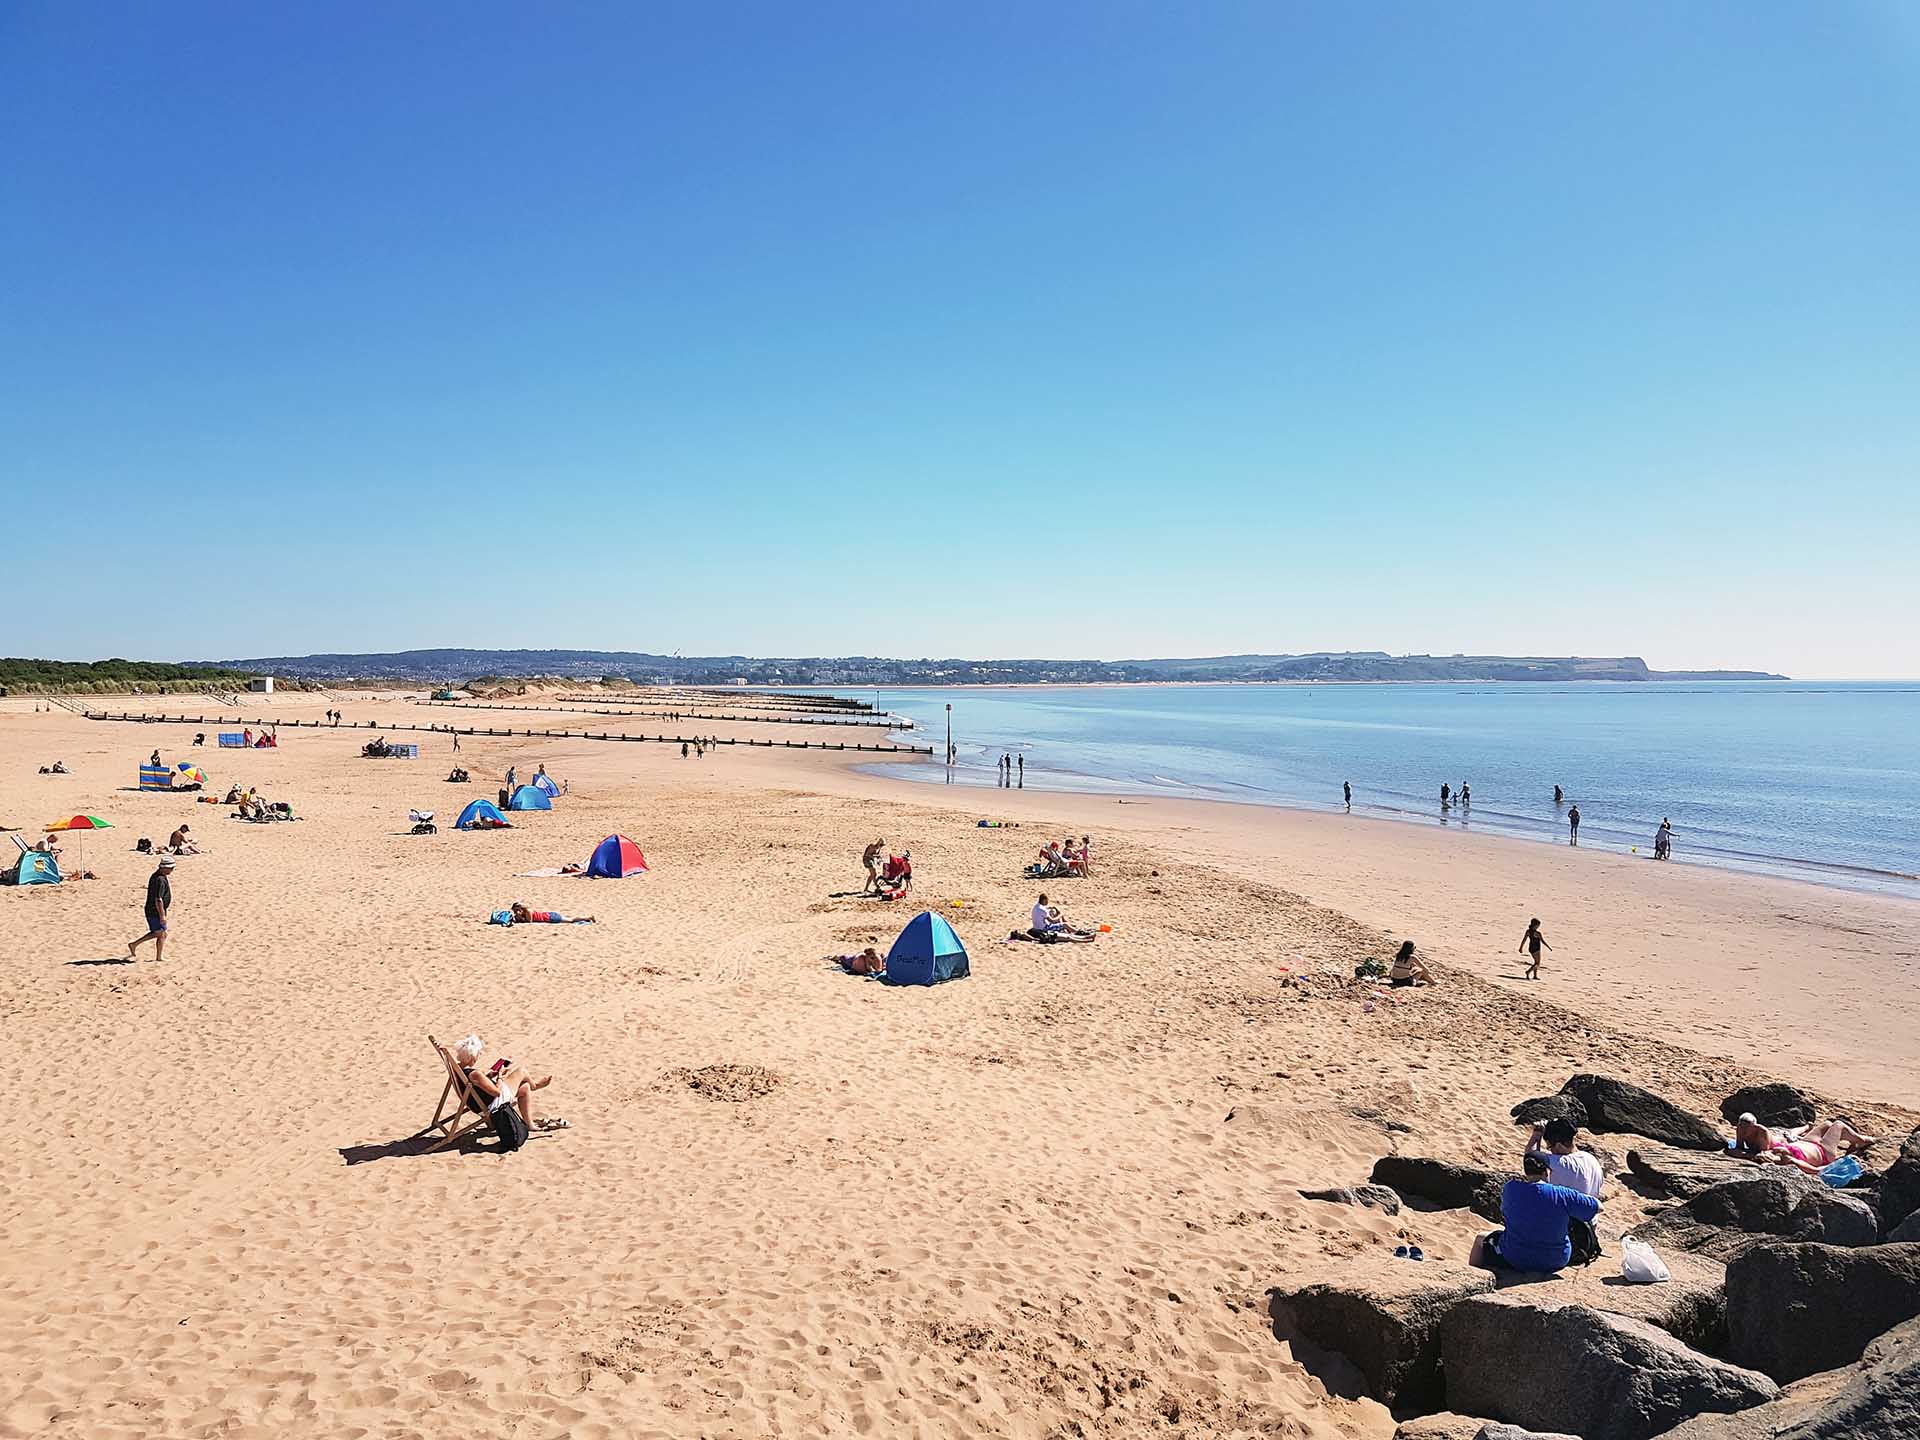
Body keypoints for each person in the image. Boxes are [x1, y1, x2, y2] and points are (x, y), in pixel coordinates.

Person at [1472, 1152, 1602, 1274]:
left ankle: (1474, 1275)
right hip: (1556, 1260)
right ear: (1546, 1171)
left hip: (1516, 1257)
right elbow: (1599, 1207)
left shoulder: (1510, 1188)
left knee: (1481, 1239)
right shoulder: (1562, 1194)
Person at [452, 1034, 564, 1132]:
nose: (478, 1057)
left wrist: (490, 1076)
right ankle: (535, 1086)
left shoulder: (458, 1069)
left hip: (480, 1103)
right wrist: (500, 1076)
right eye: (478, 1054)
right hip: (493, 1104)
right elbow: (496, 1093)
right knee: (521, 1071)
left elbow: (478, 1085)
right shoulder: (475, 1074)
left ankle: (529, 1124)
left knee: (524, 1088)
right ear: (473, 1056)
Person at [1731, 1114, 1878, 1172]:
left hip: (1805, 1143)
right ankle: (1863, 1140)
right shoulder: (1789, 1161)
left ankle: (1854, 1141)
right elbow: (1817, 1170)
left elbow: (1739, 1150)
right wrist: (1842, 1161)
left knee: (1827, 1124)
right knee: (1838, 1125)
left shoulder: (1773, 1149)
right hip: (1823, 1153)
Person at [127, 856, 175, 962]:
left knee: (162, 933)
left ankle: (158, 956)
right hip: (154, 911)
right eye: (171, 868)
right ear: (164, 868)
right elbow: (158, 899)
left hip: (156, 910)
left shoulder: (158, 876)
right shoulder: (160, 880)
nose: (172, 870)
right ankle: (134, 944)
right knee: (160, 933)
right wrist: (162, 915)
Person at [508, 902, 595, 924]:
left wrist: (520, 918)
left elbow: (529, 921)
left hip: (550, 917)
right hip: (549, 915)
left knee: (571, 920)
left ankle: (588, 917)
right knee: (570, 919)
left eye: (516, 910)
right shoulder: (525, 911)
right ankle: (587, 917)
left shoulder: (528, 911)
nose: (516, 912)